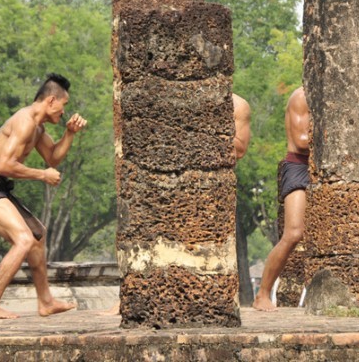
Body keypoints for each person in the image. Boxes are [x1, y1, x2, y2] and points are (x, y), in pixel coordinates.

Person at [102, 92, 252, 316]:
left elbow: (238, 150)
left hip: (207, 189)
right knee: (144, 234)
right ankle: (132, 298)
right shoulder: (168, 99)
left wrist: (196, 134)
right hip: (164, 185)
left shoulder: (238, 106)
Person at [0, 73, 87, 319]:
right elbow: (6, 164)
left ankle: (46, 301)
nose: (64, 111)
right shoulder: (24, 120)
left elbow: (53, 157)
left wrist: (70, 133)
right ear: (51, 101)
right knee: (24, 239)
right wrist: (42, 175)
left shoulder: (37, 128)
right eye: (64, 105)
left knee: (37, 235)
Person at [253, 86, 309, 312]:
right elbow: (302, 141)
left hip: (326, 168)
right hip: (299, 165)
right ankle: (262, 294)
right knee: (293, 233)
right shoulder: (301, 97)